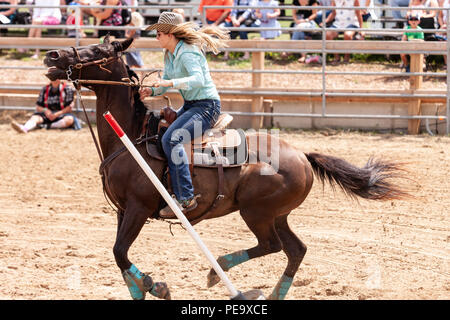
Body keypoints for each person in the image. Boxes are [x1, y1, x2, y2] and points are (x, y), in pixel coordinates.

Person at [139, 11, 229, 218]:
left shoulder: (188, 52)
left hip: (207, 106)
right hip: (192, 105)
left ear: (170, 34)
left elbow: (197, 80)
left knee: (173, 139)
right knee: (163, 135)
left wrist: (169, 83)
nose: (157, 37)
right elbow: (164, 85)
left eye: (159, 33)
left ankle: (186, 198)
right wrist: (151, 91)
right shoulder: (170, 54)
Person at [11, 79, 81, 133]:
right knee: (35, 118)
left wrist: (57, 114)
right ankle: (24, 128)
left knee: (69, 120)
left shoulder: (67, 89)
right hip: (46, 114)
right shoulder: (45, 89)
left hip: (61, 114)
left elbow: (69, 108)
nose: (54, 79)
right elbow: (38, 107)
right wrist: (46, 111)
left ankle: (46, 126)